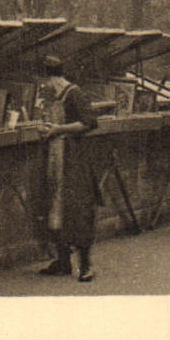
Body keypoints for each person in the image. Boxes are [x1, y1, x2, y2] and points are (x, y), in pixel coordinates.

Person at [34, 55, 101, 282]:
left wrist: (58, 129)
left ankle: (85, 265)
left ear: (50, 77)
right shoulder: (53, 96)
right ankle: (63, 261)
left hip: (72, 160)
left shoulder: (74, 94)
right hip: (54, 158)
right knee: (54, 209)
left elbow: (89, 122)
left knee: (77, 210)